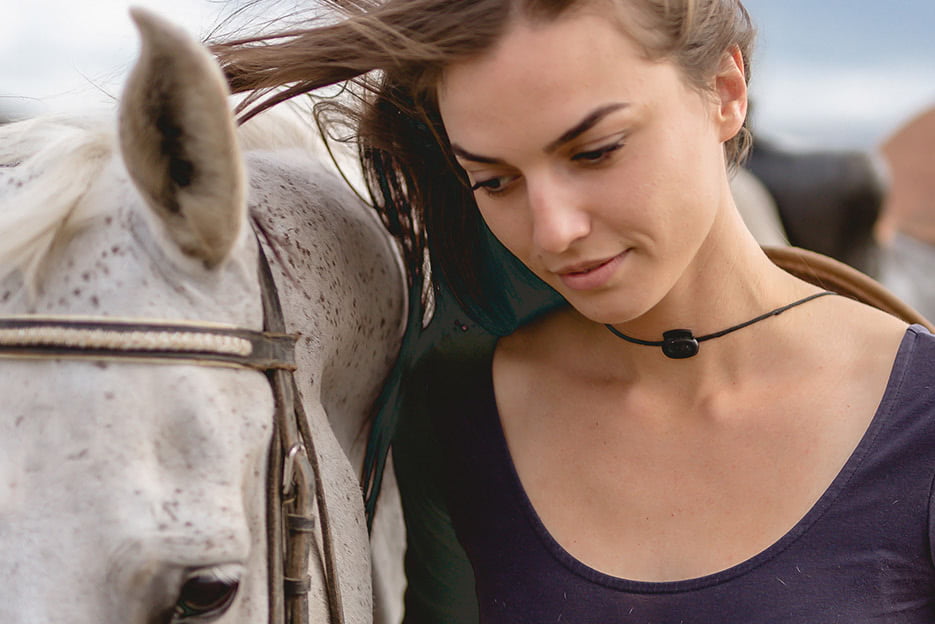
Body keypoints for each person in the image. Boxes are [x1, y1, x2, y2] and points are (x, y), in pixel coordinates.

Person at [213, 1, 935, 621]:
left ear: (723, 89)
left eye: (594, 152)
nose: (552, 229)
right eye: (493, 181)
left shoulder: (919, 416)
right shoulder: (462, 410)